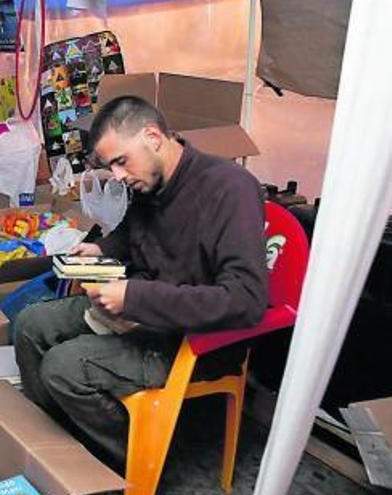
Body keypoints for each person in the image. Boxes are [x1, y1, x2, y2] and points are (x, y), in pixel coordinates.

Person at [13, 96, 268, 468]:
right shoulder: (150, 182)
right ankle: (61, 444)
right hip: (143, 310)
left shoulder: (230, 189)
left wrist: (135, 298)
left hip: (190, 339)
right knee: (30, 325)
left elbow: (246, 300)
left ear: (152, 136)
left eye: (120, 161)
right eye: (110, 166)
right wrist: (100, 249)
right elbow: (133, 232)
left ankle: (131, 463)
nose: (117, 176)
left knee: (63, 367)